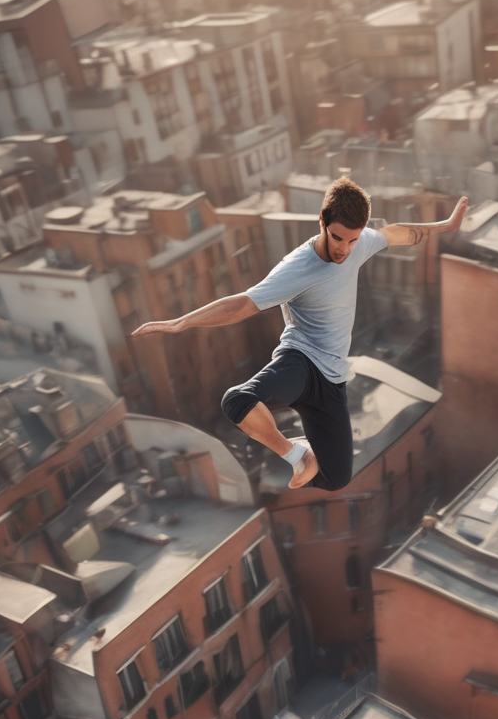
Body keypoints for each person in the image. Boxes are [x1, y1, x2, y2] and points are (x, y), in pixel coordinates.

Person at [133, 178, 468, 491]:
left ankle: (308, 449)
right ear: (322, 221)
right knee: (237, 401)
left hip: (333, 381)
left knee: (336, 479)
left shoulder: (359, 242)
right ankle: (297, 454)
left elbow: (398, 233)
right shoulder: (297, 267)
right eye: (338, 238)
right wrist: (181, 323)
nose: (344, 250)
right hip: (301, 364)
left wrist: (446, 226)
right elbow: (242, 305)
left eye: (353, 240)